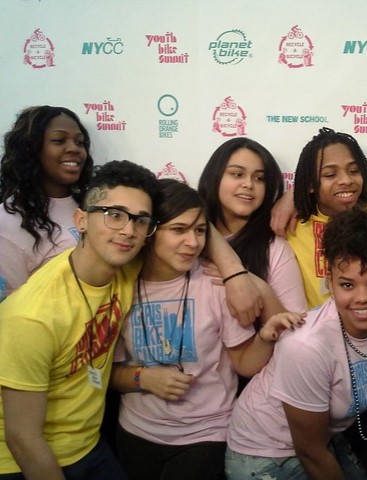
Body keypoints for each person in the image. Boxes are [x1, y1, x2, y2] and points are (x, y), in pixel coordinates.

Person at [110, 179, 305, 480]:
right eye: (179, 230)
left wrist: (266, 337)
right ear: (148, 231)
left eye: (200, 231)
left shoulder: (214, 284)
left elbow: (244, 363)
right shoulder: (121, 286)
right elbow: (105, 375)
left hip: (206, 435)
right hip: (135, 432)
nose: (193, 242)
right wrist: (143, 378)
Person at [225, 205, 367, 480]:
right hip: (263, 450)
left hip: (323, 439)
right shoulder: (305, 345)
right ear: (331, 283)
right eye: (347, 285)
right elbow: (310, 451)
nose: (363, 298)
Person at [0, 160, 159, 480]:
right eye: (114, 215)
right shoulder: (31, 317)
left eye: (141, 220)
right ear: (81, 220)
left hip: (89, 445)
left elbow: (191, 218)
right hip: (23, 461)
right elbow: (23, 437)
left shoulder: (125, 267)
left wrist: (234, 273)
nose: (128, 230)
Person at [270, 127, 367, 309]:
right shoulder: (293, 223)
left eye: (354, 170)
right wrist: (294, 195)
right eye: (330, 174)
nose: (346, 180)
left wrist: (291, 196)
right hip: (317, 326)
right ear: (310, 183)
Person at [198, 137, 307, 317]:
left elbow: (297, 325)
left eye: (259, 178)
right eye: (237, 174)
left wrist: (255, 285)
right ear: (214, 176)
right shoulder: (190, 236)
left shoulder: (274, 249)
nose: (248, 184)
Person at [0, 105, 94, 301]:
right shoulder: (7, 222)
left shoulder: (93, 205)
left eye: (79, 142)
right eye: (59, 140)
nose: (74, 148)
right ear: (31, 149)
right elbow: (12, 306)